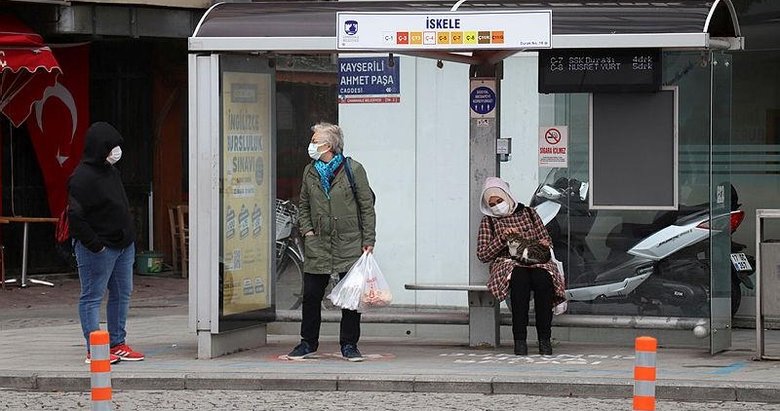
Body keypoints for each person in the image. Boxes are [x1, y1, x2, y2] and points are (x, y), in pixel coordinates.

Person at [286, 122, 376, 362]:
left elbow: (367, 207)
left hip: (349, 242)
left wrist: (368, 239)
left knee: (350, 296)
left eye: (315, 141)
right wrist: (308, 231)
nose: (312, 144)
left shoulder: (353, 169)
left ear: (328, 145)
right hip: (319, 243)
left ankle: (349, 345)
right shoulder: (310, 171)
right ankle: (307, 343)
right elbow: (303, 204)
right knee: (312, 294)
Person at [69, 122, 143, 364]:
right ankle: (95, 348)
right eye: (112, 147)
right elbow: (76, 218)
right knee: (92, 296)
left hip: (123, 244)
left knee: (122, 293)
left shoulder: (111, 171)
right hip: (99, 248)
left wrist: (129, 236)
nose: (117, 151)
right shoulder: (81, 178)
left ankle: (117, 342)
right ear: (100, 148)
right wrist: (96, 246)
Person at [476, 177, 566, 356]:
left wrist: (542, 242)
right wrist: (502, 239)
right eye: (492, 203)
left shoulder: (530, 213)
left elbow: (546, 239)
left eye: (499, 201)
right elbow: (483, 254)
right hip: (508, 263)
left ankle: (544, 340)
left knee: (544, 281)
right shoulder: (489, 221)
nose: (496, 206)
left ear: (507, 196)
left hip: (535, 260)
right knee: (519, 283)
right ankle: (520, 340)